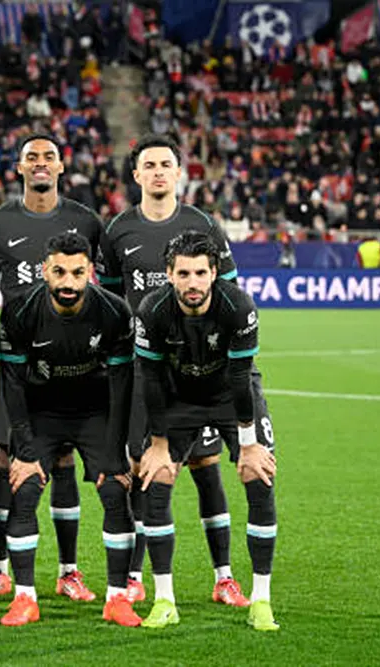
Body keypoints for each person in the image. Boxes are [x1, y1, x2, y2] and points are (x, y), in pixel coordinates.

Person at [97, 133, 249, 606]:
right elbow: (108, 299)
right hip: (146, 371)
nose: (159, 171)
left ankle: (224, 577)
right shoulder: (117, 230)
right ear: (137, 175)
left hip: (202, 372)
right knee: (145, 469)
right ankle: (139, 576)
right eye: (150, 165)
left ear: (179, 172)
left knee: (206, 468)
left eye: (167, 163)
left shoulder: (204, 225)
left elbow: (228, 297)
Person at [0, 134, 104, 602]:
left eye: (48, 157)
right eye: (31, 158)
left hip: (74, 363)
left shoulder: (85, 221)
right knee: (8, 461)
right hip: (18, 363)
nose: (40, 164)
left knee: (63, 462)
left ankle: (68, 571)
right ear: (18, 168)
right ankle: (0, 568)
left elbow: (104, 284)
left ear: (62, 166)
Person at [135, 231, 278, 631]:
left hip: (232, 398)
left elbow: (238, 376)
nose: (193, 282)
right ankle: (164, 600)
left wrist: (248, 445)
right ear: (169, 274)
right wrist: (160, 444)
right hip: (179, 399)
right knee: (157, 479)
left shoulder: (238, 306)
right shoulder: (152, 309)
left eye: (201, 272)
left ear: (215, 273)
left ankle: (261, 600)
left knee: (259, 476)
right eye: (184, 273)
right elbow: (150, 378)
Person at [0, 232, 139, 627]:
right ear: (45, 269)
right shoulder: (19, 311)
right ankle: (24, 598)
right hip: (41, 412)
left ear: (90, 273)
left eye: (78, 273)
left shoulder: (113, 311)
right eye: (58, 271)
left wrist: (115, 450)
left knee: (114, 488)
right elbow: (12, 382)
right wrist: (24, 450)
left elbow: (122, 383)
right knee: (24, 489)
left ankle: (116, 598)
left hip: (95, 413)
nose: (68, 283)